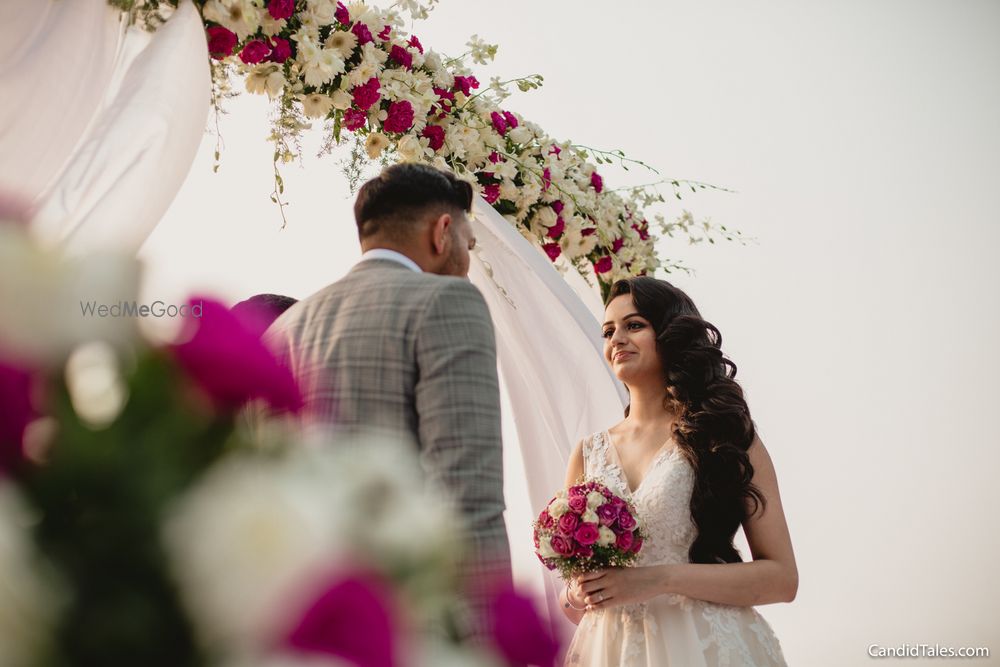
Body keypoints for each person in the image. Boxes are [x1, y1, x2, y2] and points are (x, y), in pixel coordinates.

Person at [264, 163, 512, 637]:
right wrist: (491, 635)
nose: (465, 261)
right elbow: (468, 491)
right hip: (408, 614)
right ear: (442, 232)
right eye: (468, 245)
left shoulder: (282, 330)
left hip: (305, 615)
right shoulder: (447, 302)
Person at [559, 277, 796, 666]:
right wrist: (576, 593)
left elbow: (783, 579)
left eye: (634, 325)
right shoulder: (588, 454)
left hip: (707, 647)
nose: (616, 338)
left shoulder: (726, 437)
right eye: (608, 330)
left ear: (670, 334)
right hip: (612, 650)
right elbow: (572, 595)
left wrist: (661, 578)